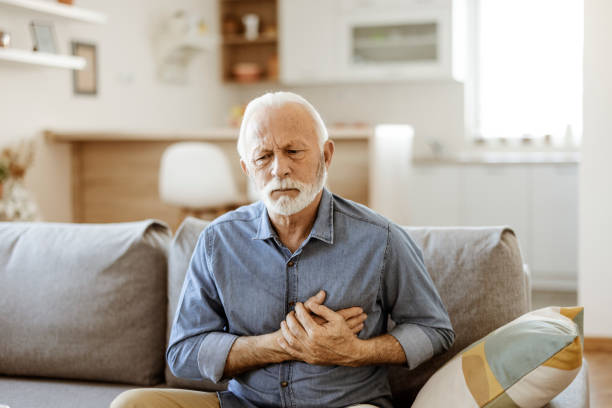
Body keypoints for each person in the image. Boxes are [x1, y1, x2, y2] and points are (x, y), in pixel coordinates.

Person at [111, 92, 454, 408]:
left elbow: (434, 330)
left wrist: (355, 351)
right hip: (245, 404)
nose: (279, 168)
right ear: (247, 168)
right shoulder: (218, 241)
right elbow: (183, 352)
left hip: (345, 404)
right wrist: (277, 344)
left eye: (293, 151)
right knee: (131, 405)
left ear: (326, 155)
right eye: (263, 156)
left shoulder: (382, 239)